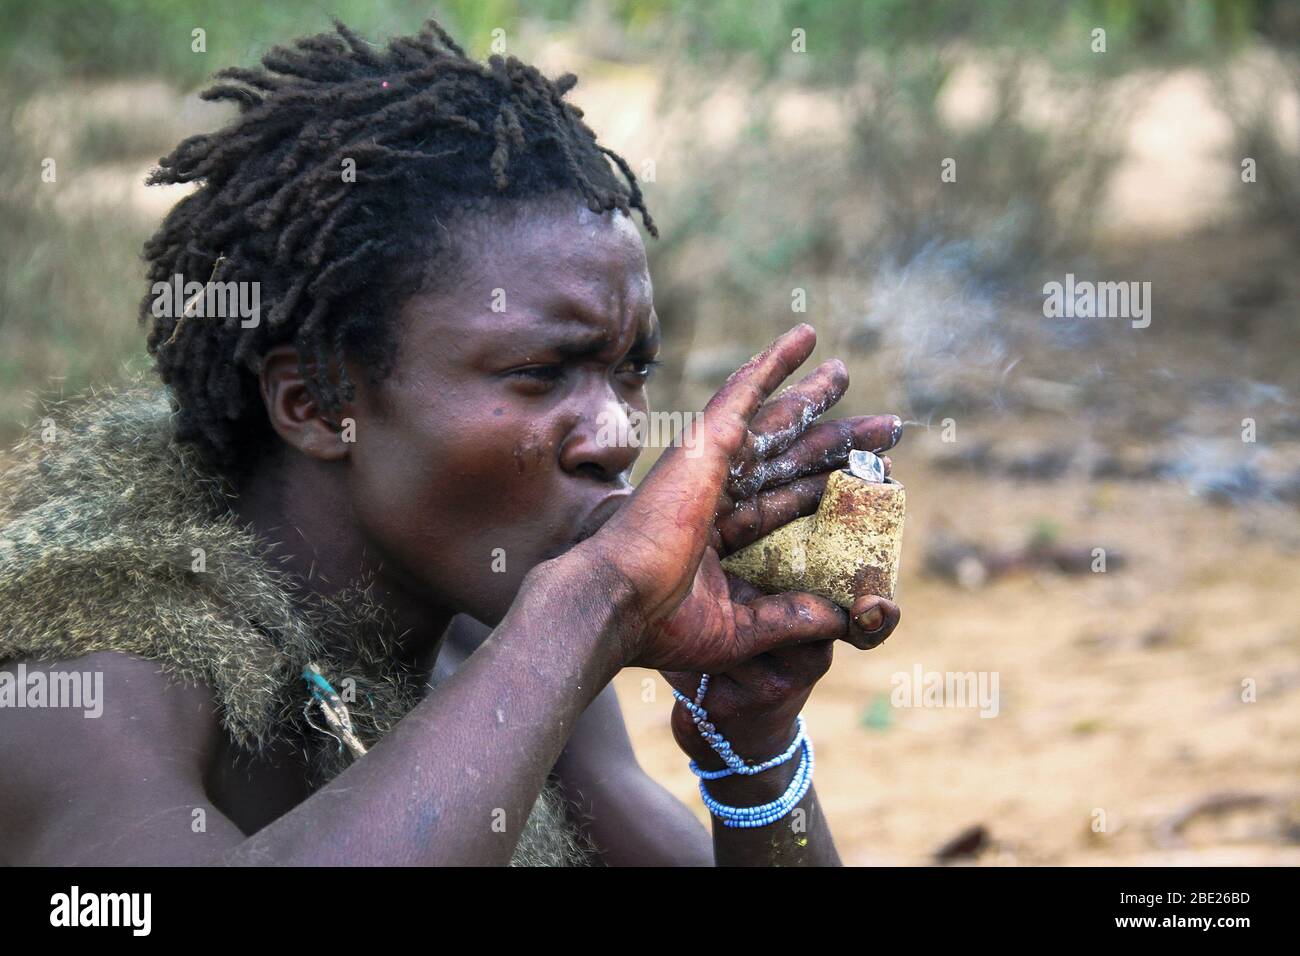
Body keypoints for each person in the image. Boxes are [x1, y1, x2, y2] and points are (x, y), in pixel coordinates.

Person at [0, 18, 901, 866]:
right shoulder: (95, 677)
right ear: (314, 403)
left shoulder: (493, 631)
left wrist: (753, 743)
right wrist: (596, 600)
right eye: (541, 373)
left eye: (630, 370)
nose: (620, 435)